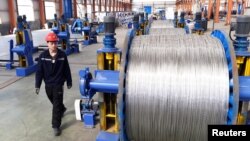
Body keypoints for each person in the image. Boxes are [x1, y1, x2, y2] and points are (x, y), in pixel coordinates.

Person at [35, 32, 72, 136]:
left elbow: (66, 69)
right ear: (47, 44)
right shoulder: (43, 56)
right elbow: (39, 72)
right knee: (53, 100)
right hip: (48, 84)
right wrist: (37, 85)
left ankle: (56, 125)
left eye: (55, 43)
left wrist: (69, 81)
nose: (54, 45)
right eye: (51, 43)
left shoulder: (62, 55)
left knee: (56, 104)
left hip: (58, 83)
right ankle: (62, 108)